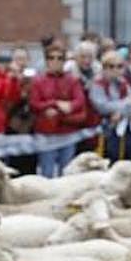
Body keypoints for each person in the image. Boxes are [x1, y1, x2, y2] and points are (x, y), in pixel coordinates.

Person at [30, 46, 87, 177]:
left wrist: (66, 108)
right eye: (51, 58)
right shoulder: (38, 80)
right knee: (47, 173)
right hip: (45, 133)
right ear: (46, 61)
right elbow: (34, 104)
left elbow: (79, 101)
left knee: (67, 173)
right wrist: (55, 103)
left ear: (64, 61)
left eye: (59, 58)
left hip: (68, 132)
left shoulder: (72, 80)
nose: (55, 61)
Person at [90, 49, 131, 161]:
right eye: (111, 66)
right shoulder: (97, 83)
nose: (115, 69)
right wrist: (124, 105)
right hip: (104, 128)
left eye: (119, 66)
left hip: (125, 125)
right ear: (104, 67)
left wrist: (120, 112)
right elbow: (102, 106)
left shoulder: (124, 83)